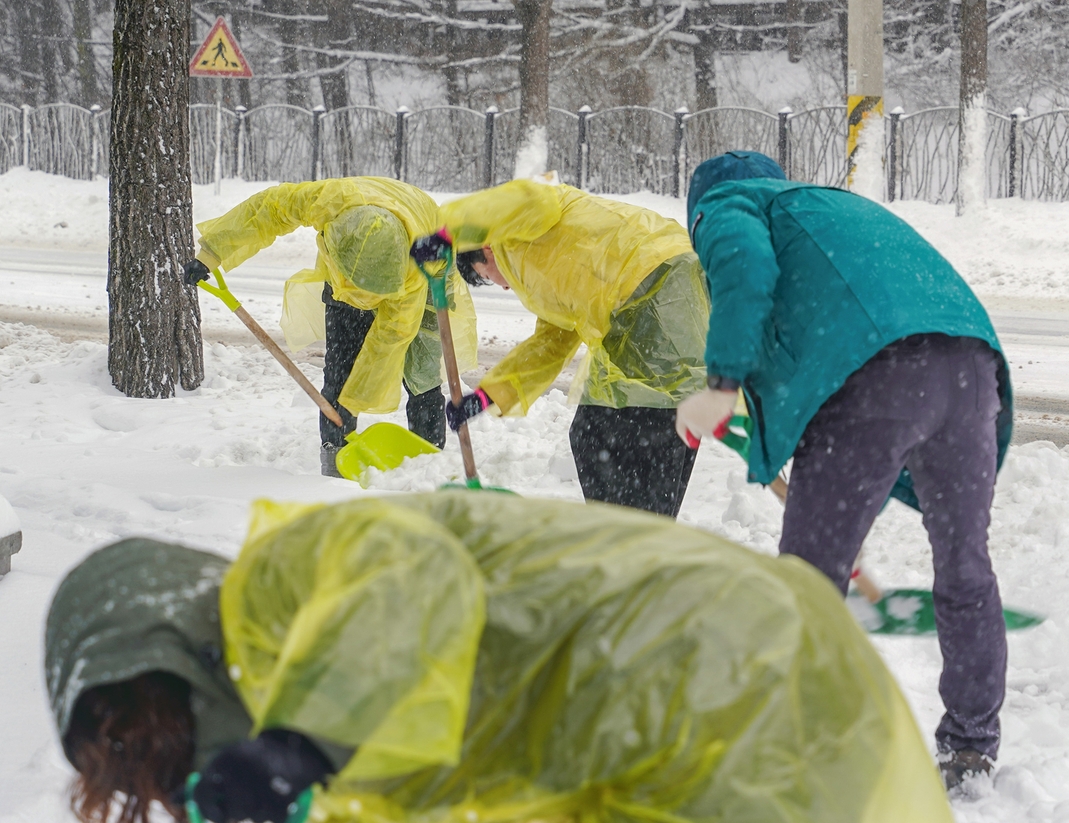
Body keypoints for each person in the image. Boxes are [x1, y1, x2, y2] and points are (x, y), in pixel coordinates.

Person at [46, 492, 955, 823]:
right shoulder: (300, 709)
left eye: (158, 742)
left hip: (710, 673)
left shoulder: (284, 587)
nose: (182, 772)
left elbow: (406, 578)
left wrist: (299, 745)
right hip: (699, 706)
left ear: (170, 652)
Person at [675, 151, 1014, 790]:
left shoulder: (730, 203)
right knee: (966, 568)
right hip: (972, 368)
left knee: (808, 580)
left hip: (875, 377)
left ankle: (796, 747)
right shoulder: (830, 205)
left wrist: (721, 387)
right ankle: (972, 747)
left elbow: (746, 272)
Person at [411, 179, 710, 518]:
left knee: (611, 433)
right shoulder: (543, 276)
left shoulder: (524, 226)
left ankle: (631, 539)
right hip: (681, 283)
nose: (503, 286)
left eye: (487, 275)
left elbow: (529, 196)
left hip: (653, 283)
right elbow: (551, 344)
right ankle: (644, 538)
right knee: (652, 423)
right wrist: (487, 397)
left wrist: (448, 232)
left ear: (487, 248)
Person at [184, 177, 477, 477]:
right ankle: (335, 457)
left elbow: (387, 344)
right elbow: (267, 210)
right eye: (353, 288)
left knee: (422, 371)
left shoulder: (415, 275)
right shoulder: (332, 201)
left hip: (430, 256)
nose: (359, 299)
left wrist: (354, 399)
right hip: (358, 243)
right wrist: (212, 253)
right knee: (340, 370)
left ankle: (426, 460)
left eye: (367, 294)